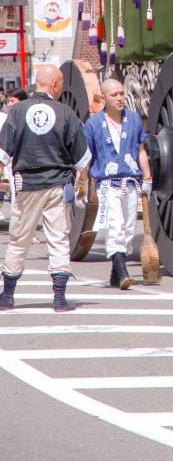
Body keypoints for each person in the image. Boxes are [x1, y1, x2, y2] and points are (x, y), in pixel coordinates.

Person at [0, 65, 90, 312]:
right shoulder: (65, 113)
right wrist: (81, 182)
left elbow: (3, 152)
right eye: (60, 84)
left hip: (27, 183)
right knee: (59, 239)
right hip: (57, 183)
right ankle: (59, 298)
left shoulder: (17, 111)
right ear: (54, 85)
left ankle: (7, 295)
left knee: (19, 238)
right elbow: (82, 158)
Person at [82, 78, 152, 289]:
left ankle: (115, 272)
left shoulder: (133, 119)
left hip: (130, 181)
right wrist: (83, 184)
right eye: (115, 95)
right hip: (106, 184)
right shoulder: (93, 124)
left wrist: (147, 177)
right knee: (115, 226)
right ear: (104, 97)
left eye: (122, 93)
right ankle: (122, 272)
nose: (120, 98)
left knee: (129, 228)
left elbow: (141, 150)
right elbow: (86, 157)